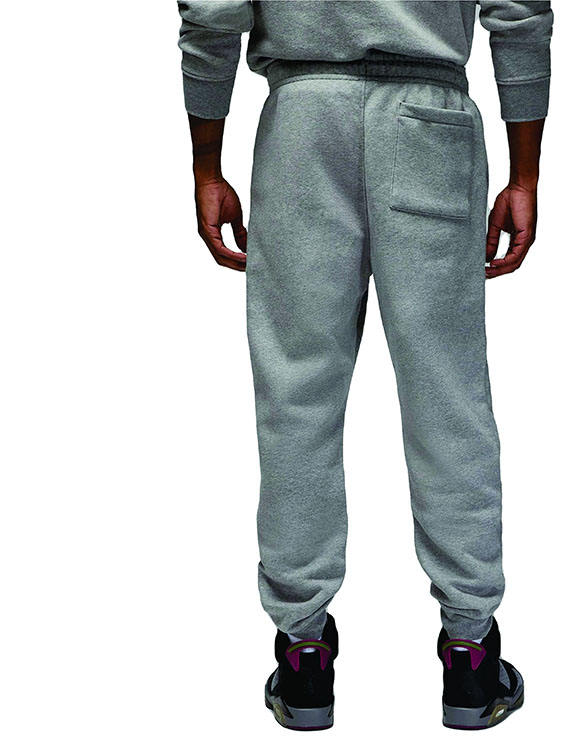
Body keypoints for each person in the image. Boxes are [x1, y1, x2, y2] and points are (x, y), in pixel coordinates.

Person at [177, 0, 552, 731]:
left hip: (302, 123)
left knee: (296, 394)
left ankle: (303, 651)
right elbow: (519, 12)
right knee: (447, 396)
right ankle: (470, 651)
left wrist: (206, 163)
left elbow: (213, 11)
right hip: (430, 118)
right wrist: (526, 172)